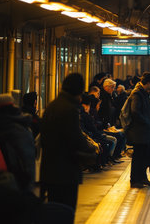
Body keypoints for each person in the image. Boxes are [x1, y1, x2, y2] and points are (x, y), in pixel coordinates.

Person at [40, 73, 96, 211]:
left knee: (54, 210)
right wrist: (91, 148)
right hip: (65, 171)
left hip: (50, 169)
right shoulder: (69, 109)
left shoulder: (52, 105)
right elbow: (75, 137)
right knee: (66, 209)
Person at [0, 93, 36, 192]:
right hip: (20, 182)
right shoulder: (23, 128)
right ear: (13, 105)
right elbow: (28, 161)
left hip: (0, 182)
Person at [125, 72, 150, 188]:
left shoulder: (144, 93)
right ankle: (134, 180)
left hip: (144, 131)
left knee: (143, 156)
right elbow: (135, 111)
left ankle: (143, 178)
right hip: (138, 132)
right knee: (138, 157)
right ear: (148, 83)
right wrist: (146, 121)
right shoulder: (137, 94)